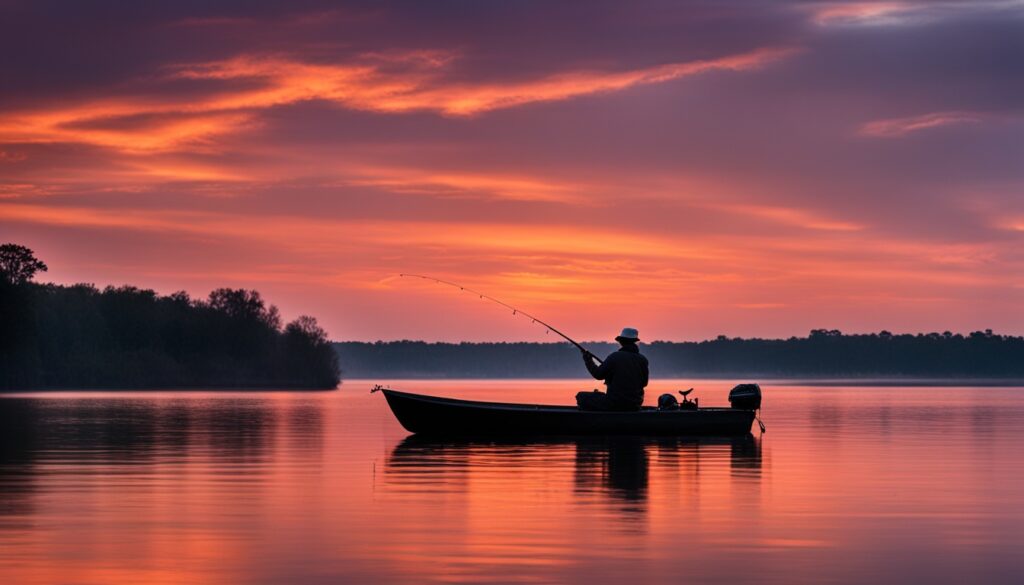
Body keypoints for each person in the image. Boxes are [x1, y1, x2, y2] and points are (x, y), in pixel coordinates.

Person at [577, 327, 649, 411]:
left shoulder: (614, 357)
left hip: (614, 404)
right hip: (635, 405)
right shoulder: (643, 359)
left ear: (621, 341)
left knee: (580, 396)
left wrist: (588, 360)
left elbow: (598, 375)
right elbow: (644, 383)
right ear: (634, 342)